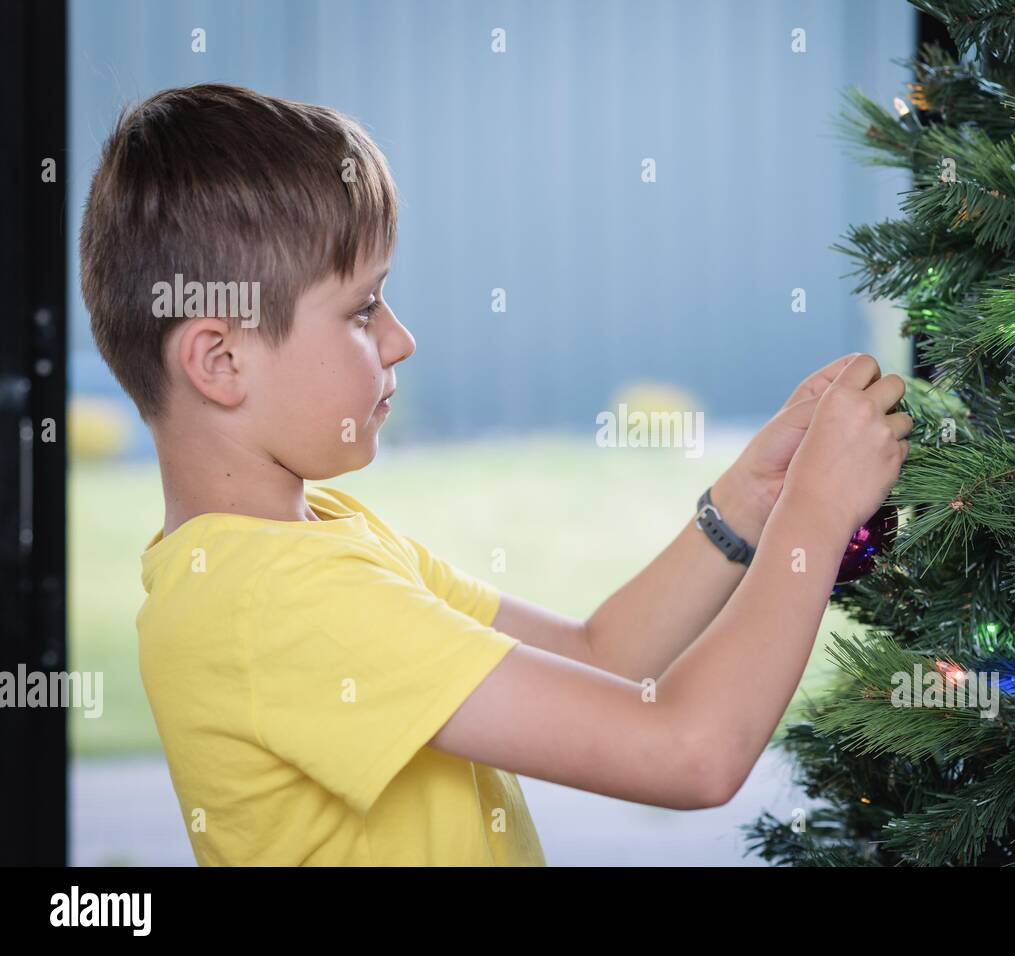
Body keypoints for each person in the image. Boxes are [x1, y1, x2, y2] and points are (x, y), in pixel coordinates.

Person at [79, 83, 911, 866]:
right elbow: (689, 752)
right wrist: (819, 509)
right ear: (220, 360)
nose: (399, 338)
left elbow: (603, 657)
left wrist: (754, 501)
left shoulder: (314, 537)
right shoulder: (277, 600)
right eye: (363, 309)